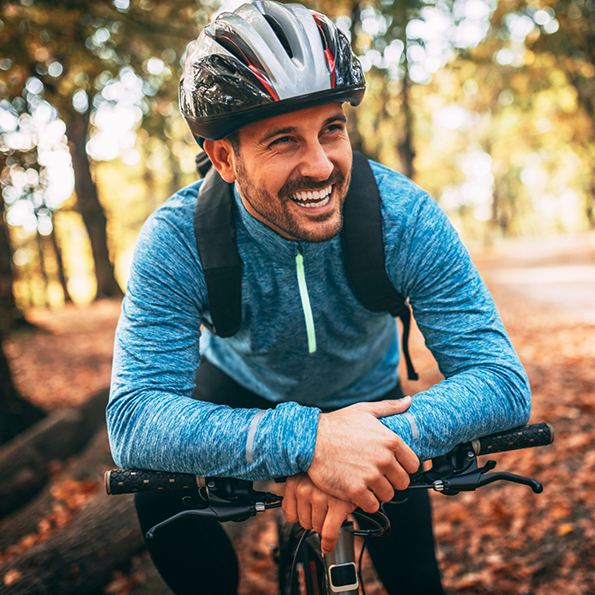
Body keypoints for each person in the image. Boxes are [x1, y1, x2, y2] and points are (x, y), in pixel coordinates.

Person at [107, 2, 531, 594]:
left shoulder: (404, 219)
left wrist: (358, 448)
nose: (321, 164)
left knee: (416, 581)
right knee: (158, 495)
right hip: (243, 392)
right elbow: (134, 420)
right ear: (224, 156)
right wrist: (309, 444)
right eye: (284, 140)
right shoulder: (177, 240)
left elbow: (502, 382)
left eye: (332, 128)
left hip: (372, 402)